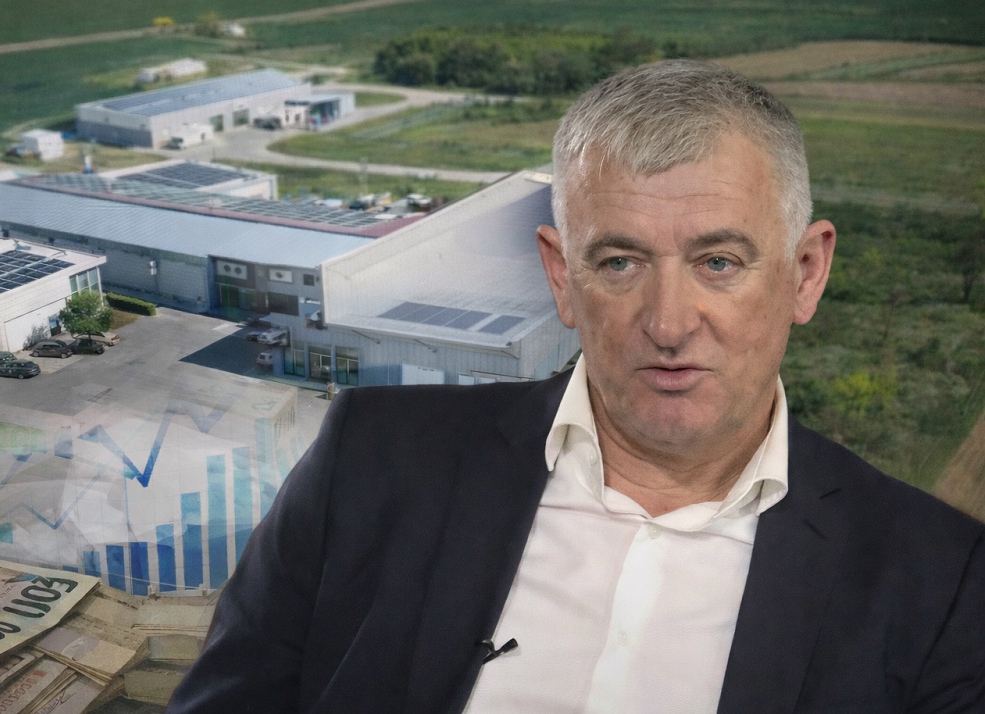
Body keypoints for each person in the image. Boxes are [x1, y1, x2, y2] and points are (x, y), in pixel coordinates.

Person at [167, 60, 985, 713]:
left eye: (719, 262)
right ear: (562, 277)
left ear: (805, 273)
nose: (669, 322)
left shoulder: (940, 579)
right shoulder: (370, 458)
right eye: (620, 262)